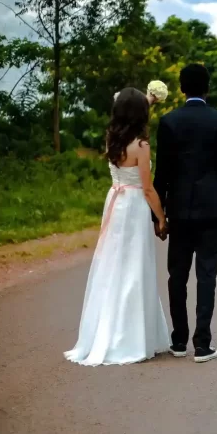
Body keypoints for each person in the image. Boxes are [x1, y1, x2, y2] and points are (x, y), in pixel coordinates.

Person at [64, 88, 171, 366]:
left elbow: (130, 110)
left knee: (114, 264)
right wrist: (161, 217)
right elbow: (147, 188)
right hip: (134, 204)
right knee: (135, 267)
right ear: (141, 114)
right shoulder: (142, 146)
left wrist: (148, 99)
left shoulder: (113, 137)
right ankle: (131, 337)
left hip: (115, 200)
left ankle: (105, 331)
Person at [154, 63, 217, 363]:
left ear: (181, 88)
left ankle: (178, 342)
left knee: (177, 276)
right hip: (213, 210)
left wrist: (158, 216)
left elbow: (161, 172)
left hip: (178, 211)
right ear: (207, 88)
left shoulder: (168, 121)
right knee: (206, 275)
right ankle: (202, 344)